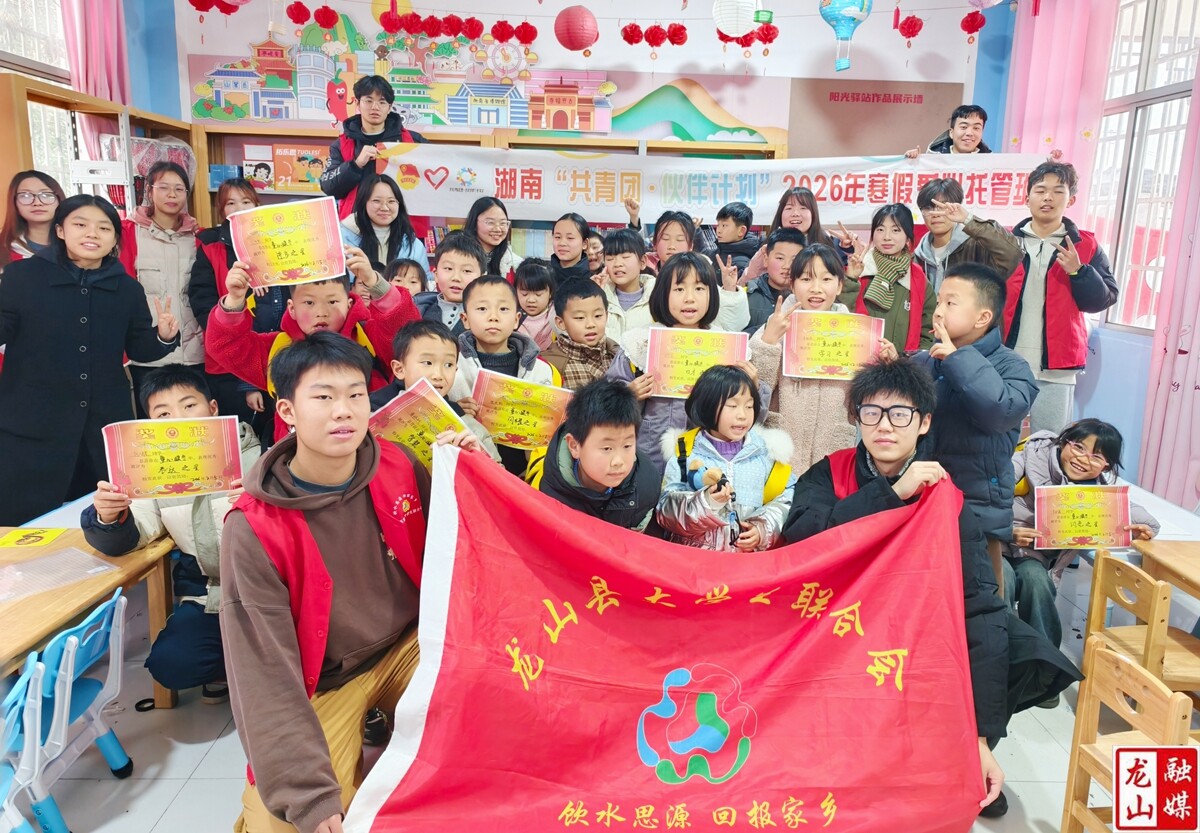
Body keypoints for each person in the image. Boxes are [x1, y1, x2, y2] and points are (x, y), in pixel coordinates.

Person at [220, 333, 480, 833]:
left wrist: (469, 474)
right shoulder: (253, 527)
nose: (343, 410)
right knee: (286, 821)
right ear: (287, 411)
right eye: (323, 396)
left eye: (355, 394)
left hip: (410, 645)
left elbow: (464, 549)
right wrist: (308, 796)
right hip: (325, 681)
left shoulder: (398, 464)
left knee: (488, 724)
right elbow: (264, 673)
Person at [780, 357, 1008, 816]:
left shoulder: (944, 497)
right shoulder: (831, 472)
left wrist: (980, 737)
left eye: (900, 413)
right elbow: (802, 539)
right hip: (834, 626)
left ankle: (966, 755)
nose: (885, 425)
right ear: (856, 417)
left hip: (908, 637)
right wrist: (894, 493)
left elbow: (978, 604)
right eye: (872, 412)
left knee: (1007, 636)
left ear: (924, 423)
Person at [81, 366, 260, 700]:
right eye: (163, 414)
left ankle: (251, 666)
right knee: (172, 665)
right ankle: (234, 666)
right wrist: (108, 517)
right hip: (210, 596)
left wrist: (261, 505)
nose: (178, 420)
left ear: (213, 409)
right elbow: (134, 533)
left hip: (270, 590)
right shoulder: (151, 475)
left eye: (189, 406)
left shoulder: (262, 457)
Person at [0, 195, 180, 525]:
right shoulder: (22, 277)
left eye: (104, 228)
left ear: (114, 238)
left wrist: (164, 337)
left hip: (100, 428)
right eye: (80, 224)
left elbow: (139, 349)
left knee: (100, 520)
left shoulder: (126, 288)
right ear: (60, 230)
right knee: (24, 524)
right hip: (33, 426)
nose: (92, 234)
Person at [911, 263, 1038, 594]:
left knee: (981, 603)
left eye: (951, 303)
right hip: (924, 501)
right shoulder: (925, 361)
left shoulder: (1013, 366)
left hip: (978, 509)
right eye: (939, 301)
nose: (939, 311)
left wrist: (956, 359)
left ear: (982, 317)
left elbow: (999, 412)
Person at [205, 249, 418, 442]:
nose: (321, 312)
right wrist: (234, 300)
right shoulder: (277, 349)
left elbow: (408, 334)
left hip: (370, 451)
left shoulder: (370, 339)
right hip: (299, 460)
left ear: (349, 303)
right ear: (291, 308)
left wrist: (375, 283)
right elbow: (226, 345)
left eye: (332, 302)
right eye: (309, 303)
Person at [1004, 419, 1160, 655]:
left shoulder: (1095, 492)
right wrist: (1008, 530)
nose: (1083, 459)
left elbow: (1148, 520)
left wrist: (1143, 530)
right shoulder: (1032, 455)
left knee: (1037, 583)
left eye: (1096, 457)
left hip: (1032, 556)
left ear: (1106, 467)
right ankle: (999, 657)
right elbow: (992, 492)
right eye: (1078, 447)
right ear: (1064, 442)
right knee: (1001, 582)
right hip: (997, 543)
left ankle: (1046, 665)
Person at [606, 253, 763, 478]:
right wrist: (628, 395)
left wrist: (752, 387)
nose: (689, 298)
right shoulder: (639, 343)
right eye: (679, 289)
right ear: (663, 293)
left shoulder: (727, 347)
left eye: (699, 289)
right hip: (649, 458)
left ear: (712, 294)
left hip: (711, 462)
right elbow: (607, 404)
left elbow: (748, 419)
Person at [1002, 162, 1118, 433]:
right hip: (1007, 360)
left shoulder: (1085, 244)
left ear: (1071, 199)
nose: (1048, 198)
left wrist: (1080, 272)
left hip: (1058, 368)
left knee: (1049, 442)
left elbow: (1104, 298)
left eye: (1058, 191)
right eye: (1040, 190)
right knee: (1000, 441)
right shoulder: (1006, 242)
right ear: (1027, 197)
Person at [749, 244, 866, 470]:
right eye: (805, 279)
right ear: (792, 284)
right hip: (782, 449)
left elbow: (863, 399)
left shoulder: (855, 333)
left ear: (840, 285)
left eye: (826, 279)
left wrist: (882, 367)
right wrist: (768, 343)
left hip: (833, 449)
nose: (816, 288)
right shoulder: (775, 327)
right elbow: (755, 390)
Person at [657, 365, 796, 552]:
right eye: (732, 406)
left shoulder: (765, 454)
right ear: (707, 406)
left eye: (749, 406)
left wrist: (763, 527)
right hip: (694, 562)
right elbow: (665, 513)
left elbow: (787, 497)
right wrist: (706, 502)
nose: (742, 415)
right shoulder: (686, 453)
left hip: (747, 563)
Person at [187, 177, 287, 428]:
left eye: (246, 201)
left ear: (257, 205)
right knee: (242, 433)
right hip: (229, 362)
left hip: (279, 353)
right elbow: (201, 299)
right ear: (221, 210)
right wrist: (227, 333)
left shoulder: (278, 242)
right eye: (230, 203)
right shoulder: (210, 245)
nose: (239, 208)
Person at [449, 276, 558, 475]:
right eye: (482, 308)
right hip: (471, 472)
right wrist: (454, 409)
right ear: (465, 319)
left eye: (503, 309)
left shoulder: (540, 370)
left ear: (516, 319)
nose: (493, 316)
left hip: (525, 475)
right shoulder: (451, 365)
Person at [119, 161, 203, 414]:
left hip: (194, 350)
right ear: (149, 190)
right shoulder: (127, 233)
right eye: (164, 187)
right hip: (147, 351)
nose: (172, 195)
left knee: (195, 421)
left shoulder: (199, 237)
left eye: (179, 189)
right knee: (154, 422)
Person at [527, 378, 662, 532]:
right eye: (607, 448)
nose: (618, 461)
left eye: (627, 446)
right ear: (574, 446)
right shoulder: (548, 489)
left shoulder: (647, 483)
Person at [368, 320, 500, 463]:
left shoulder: (467, 425)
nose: (438, 375)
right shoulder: (371, 415)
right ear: (399, 369)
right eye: (427, 363)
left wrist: (477, 457)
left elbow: (498, 471)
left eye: (448, 364)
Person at [320, 74, 427, 223]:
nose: (375, 107)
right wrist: (356, 164)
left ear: (389, 107)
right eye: (368, 100)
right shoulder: (342, 144)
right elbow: (328, 187)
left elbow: (434, 175)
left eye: (382, 102)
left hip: (401, 225)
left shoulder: (413, 141)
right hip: (356, 226)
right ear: (358, 103)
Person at [847, 203, 935, 353]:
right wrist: (850, 280)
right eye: (880, 229)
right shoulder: (858, 270)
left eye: (895, 230)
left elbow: (928, 330)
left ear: (907, 237)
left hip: (902, 364)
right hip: (857, 360)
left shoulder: (918, 279)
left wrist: (909, 361)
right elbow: (840, 316)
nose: (887, 237)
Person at [913, 178, 1024, 291]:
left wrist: (968, 219)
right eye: (928, 208)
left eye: (943, 206)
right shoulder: (917, 257)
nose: (935, 213)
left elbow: (1013, 254)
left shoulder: (976, 247)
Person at [339, 174, 431, 282]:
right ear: (364, 202)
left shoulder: (414, 245)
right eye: (377, 201)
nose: (384, 208)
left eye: (391, 201)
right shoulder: (341, 239)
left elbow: (424, 286)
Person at [744, 187, 847, 278]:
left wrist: (848, 249)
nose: (795, 213)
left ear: (813, 214)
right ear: (780, 213)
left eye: (803, 208)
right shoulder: (765, 247)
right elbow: (747, 284)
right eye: (789, 208)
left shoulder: (830, 245)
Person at [540, 280, 620, 390]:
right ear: (561, 323)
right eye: (580, 318)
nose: (590, 324)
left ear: (606, 315)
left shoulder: (617, 355)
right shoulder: (549, 365)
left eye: (597, 316)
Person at [413, 230, 487, 335]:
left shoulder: (488, 316)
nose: (456, 278)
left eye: (467, 271)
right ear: (436, 275)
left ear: (481, 278)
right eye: (448, 268)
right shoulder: (419, 310)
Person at [744, 227, 806, 335]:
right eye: (780, 258)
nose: (787, 266)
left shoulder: (808, 297)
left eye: (794, 259)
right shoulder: (746, 294)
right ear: (766, 259)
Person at [0, 169, 65, 270]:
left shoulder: (79, 244)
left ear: (59, 199)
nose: (37, 203)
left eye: (46, 195)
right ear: (14, 202)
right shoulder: (4, 247)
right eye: (26, 196)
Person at [600, 227, 655, 342]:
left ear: (642, 262)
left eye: (625, 257)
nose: (617, 264)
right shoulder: (598, 296)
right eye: (610, 258)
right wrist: (593, 295)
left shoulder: (658, 299)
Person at [463, 196, 522, 280]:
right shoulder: (458, 257)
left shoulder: (515, 264)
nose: (497, 229)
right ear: (474, 223)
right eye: (490, 222)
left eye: (502, 223)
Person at [904, 104, 992, 157]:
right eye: (964, 127)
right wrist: (914, 162)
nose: (969, 133)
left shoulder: (991, 163)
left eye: (976, 128)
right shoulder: (933, 159)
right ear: (951, 133)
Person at [700, 201, 759, 278]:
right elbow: (702, 253)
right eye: (718, 225)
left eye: (724, 225)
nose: (718, 230)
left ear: (741, 231)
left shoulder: (742, 264)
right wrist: (696, 232)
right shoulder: (720, 250)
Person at [514, 258, 557, 351]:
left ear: (550, 292)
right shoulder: (512, 315)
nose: (531, 300)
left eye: (538, 294)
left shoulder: (557, 313)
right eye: (524, 294)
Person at [550, 212, 593, 285]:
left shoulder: (593, 280)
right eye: (557, 237)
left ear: (584, 243)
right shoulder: (543, 277)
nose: (562, 243)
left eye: (570, 238)